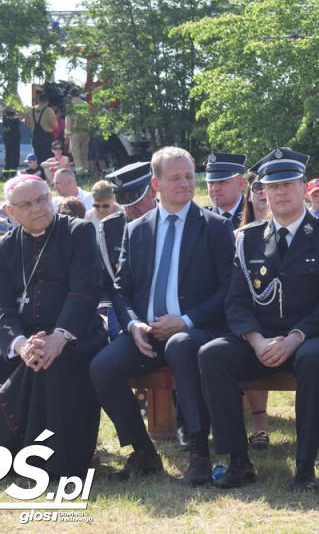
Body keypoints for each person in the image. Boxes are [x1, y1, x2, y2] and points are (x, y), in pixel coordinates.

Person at [200, 147, 319, 492]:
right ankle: (238, 460)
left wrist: (297, 336)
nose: (281, 192)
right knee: (213, 353)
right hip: (262, 339)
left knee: (314, 359)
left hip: (312, 336)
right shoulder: (248, 238)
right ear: (263, 193)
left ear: (302, 187)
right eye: (273, 186)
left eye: (288, 184)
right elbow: (236, 301)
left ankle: (305, 464)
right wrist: (255, 339)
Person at [89, 147, 235, 486]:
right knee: (101, 367)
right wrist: (131, 324)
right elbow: (120, 289)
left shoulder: (214, 227)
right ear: (156, 184)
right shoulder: (136, 230)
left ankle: (199, 451)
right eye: (176, 178)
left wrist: (186, 320)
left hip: (196, 329)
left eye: (189, 177)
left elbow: (229, 291)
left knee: (182, 345)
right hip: (147, 333)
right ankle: (144, 451)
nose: (185, 184)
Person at [0, 174, 106, 478]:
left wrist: (59, 337)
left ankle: (49, 464)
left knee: (50, 371)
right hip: (19, 336)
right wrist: (20, 344)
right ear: (11, 212)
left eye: (41, 199)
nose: (38, 208)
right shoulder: (4, 248)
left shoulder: (79, 231)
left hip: (73, 332)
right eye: (27, 204)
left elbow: (84, 291)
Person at [97, 161, 157, 342]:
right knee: (103, 366)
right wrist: (129, 321)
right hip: (126, 309)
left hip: (169, 310)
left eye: (136, 198)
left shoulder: (173, 221)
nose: (131, 208)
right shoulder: (109, 228)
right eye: (124, 201)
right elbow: (109, 284)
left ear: (153, 191)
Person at [235, 171, 272, 448]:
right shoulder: (239, 236)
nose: (261, 191)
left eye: (268, 186)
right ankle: (260, 423)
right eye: (256, 186)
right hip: (251, 317)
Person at [204, 152, 247, 229]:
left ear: (240, 184)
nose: (215, 188)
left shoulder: (255, 214)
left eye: (222, 182)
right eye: (211, 183)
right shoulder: (202, 218)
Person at [64, 87, 91, 178]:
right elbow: (89, 120)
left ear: (71, 95)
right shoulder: (86, 104)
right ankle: (86, 172)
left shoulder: (70, 105)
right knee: (84, 154)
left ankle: (80, 174)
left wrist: (67, 136)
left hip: (75, 133)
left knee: (77, 155)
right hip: (85, 132)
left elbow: (68, 123)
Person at [23, 91, 57, 164]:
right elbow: (54, 125)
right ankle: (47, 175)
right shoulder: (48, 110)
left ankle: (39, 174)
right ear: (47, 101)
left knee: (38, 159)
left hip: (35, 137)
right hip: (47, 138)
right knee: (48, 159)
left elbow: (27, 124)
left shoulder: (30, 110)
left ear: (38, 100)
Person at [1, 105, 22, 172]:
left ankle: (5, 175)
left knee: (8, 159)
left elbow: (3, 114)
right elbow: (22, 115)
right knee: (14, 159)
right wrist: (16, 109)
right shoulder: (15, 121)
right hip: (14, 143)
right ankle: (12, 175)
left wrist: (7, 110)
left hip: (7, 143)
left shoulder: (5, 121)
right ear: (13, 115)